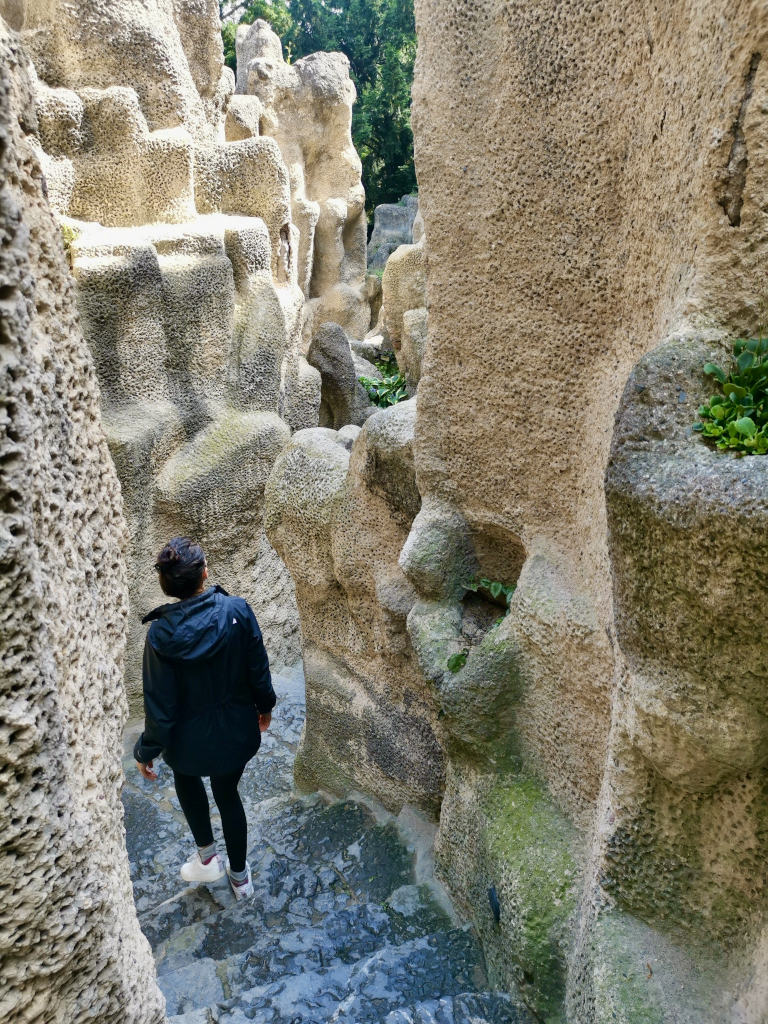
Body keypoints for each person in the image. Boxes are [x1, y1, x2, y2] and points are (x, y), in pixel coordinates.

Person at [133, 536, 276, 901]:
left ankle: (207, 858)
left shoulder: (159, 635)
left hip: (186, 743)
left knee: (187, 777)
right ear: (205, 573)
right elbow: (258, 669)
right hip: (234, 733)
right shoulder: (238, 610)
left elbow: (160, 707)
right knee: (228, 794)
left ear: (167, 586)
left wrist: (146, 749)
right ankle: (241, 879)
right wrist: (265, 707)